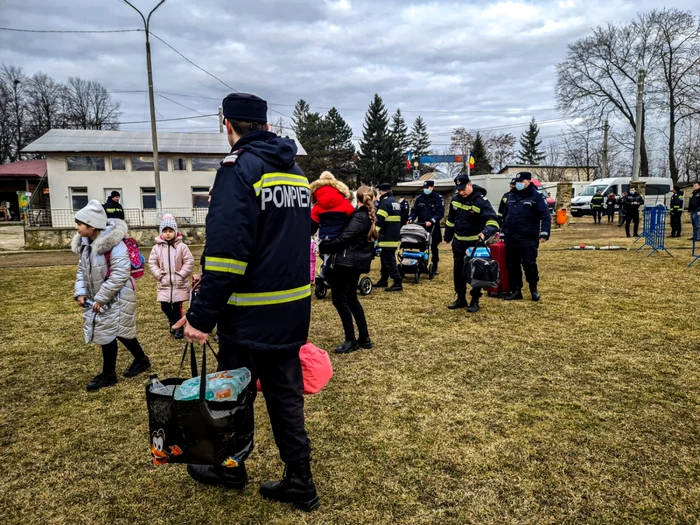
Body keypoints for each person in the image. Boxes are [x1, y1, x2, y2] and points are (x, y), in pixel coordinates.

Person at [174, 93, 319, 512]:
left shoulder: (237, 170)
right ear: (266, 126)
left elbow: (228, 253)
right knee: (285, 396)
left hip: (248, 314)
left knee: (232, 396)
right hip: (291, 311)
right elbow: (277, 242)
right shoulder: (293, 171)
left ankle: (230, 467)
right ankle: (300, 480)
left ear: (228, 125)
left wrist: (200, 318)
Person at [71, 200, 151, 391]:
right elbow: (82, 270)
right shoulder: (85, 244)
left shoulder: (115, 245)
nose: (76, 227)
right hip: (102, 297)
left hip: (119, 295)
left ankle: (109, 375)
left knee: (111, 333)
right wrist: (81, 292)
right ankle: (141, 360)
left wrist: (101, 298)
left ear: (91, 226)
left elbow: (120, 274)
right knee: (116, 332)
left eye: (80, 224)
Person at [319, 186, 377, 352]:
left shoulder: (358, 217)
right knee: (351, 297)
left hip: (346, 263)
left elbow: (344, 239)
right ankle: (364, 337)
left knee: (339, 299)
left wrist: (324, 246)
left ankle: (350, 340)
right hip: (355, 263)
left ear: (356, 199)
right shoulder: (367, 216)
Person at [443, 174, 500, 313]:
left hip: (475, 244)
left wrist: (485, 233)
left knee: (476, 273)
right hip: (458, 243)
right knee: (458, 273)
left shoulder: (480, 201)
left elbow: (493, 220)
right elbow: (451, 219)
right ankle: (461, 298)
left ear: (470, 185)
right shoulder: (456, 199)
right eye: (458, 189)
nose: (461, 192)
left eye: (463, 189)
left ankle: (475, 300)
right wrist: (448, 235)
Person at [501, 171, 551, 302]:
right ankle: (516, 290)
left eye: (521, 182)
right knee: (512, 265)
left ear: (529, 182)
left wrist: (544, 233)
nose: (518, 184)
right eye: (517, 182)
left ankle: (533, 289)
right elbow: (505, 216)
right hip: (511, 236)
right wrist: (502, 232)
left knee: (529, 264)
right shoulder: (511, 196)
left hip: (528, 237)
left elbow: (545, 216)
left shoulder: (537, 197)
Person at [148, 214, 194, 340]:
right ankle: (172, 321)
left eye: (170, 231)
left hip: (179, 283)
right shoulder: (156, 248)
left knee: (177, 307)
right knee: (165, 306)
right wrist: (159, 275)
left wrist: (182, 274)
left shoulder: (182, 247)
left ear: (175, 231)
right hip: (164, 283)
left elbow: (189, 261)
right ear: (161, 233)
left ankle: (178, 327)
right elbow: (152, 263)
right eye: (165, 231)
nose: (168, 234)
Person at [309, 171, 355, 279]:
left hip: (325, 237)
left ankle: (327, 270)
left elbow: (312, 226)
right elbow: (353, 219)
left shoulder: (317, 207)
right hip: (342, 237)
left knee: (325, 254)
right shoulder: (345, 203)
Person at [408, 180, 445, 275]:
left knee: (434, 247)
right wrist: (411, 219)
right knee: (422, 246)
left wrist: (432, 221)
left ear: (432, 187)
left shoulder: (438, 198)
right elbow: (415, 211)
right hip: (422, 226)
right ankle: (422, 264)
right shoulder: (420, 198)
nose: (426, 189)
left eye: (428, 188)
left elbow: (440, 213)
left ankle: (435, 265)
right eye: (424, 188)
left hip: (433, 227)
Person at [375, 182, 402, 292]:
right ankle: (384, 279)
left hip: (387, 236)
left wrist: (373, 233)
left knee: (389, 260)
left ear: (381, 192)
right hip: (392, 235)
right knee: (385, 259)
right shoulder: (394, 202)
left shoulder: (385, 202)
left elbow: (379, 220)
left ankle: (397, 282)